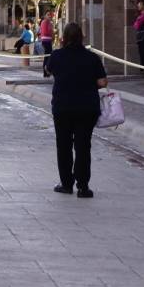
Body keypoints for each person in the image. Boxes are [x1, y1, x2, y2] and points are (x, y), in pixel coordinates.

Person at [48, 23, 107, 198]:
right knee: (83, 146)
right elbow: (103, 82)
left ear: (63, 38)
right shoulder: (92, 58)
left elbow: (48, 70)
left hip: (63, 107)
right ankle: (83, 186)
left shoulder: (57, 55)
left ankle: (66, 184)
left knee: (64, 145)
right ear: (82, 37)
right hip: (87, 107)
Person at [133, 0, 144, 70]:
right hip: (140, 36)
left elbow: (138, 25)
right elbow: (135, 25)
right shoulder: (141, 15)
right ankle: (143, 66)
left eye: (140, 4)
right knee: (141, 52)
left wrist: (137, 22)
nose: (138, 5)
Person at [39, 11, 55, 78]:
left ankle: (46, 72)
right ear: (45, 15)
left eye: (50, 15)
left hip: (46, 41)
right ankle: (46, 72)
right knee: (47, 57)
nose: (49, 16)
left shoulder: (46, 23)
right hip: (46, 41)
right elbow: (48, 32)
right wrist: (52, 33)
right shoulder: (47, 22)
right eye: (48, 15)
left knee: (47, 57)